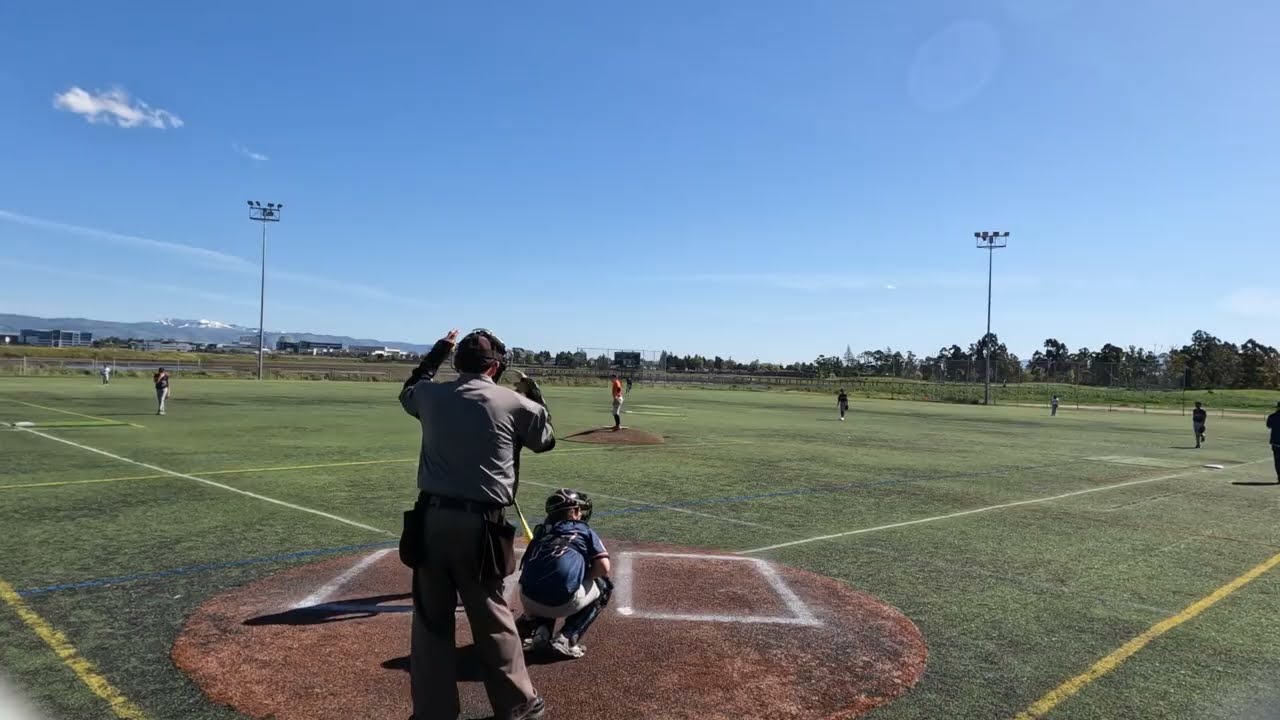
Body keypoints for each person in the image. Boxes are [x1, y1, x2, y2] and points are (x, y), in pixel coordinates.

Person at [400, 328, 554, 720]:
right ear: (496, 365)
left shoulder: (431, 396)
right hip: (481, 528)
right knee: (492, 618)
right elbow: (544, 440)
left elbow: (411, 388)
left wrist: (438, 350)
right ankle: (517, 704)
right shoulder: (514, 402)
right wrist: (535, 396)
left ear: (457, 362)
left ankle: (433, 713)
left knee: (431, 624)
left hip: (430, 521)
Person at [516, 489, 611, 659]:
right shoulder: (583, 530)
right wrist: (581, 577)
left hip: (527, 598)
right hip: (561, 601)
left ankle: (541, 632)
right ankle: (566, 638)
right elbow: (603, 567)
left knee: (547, 575)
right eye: (579, 510)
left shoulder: (540, 531)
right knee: (604, 586)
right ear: (574, 512)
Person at [1267, 402, 1280, 484]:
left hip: (1275, 442)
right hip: (1276, 442)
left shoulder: (1272, 416)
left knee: (1278, 462)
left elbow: (1269, 425)